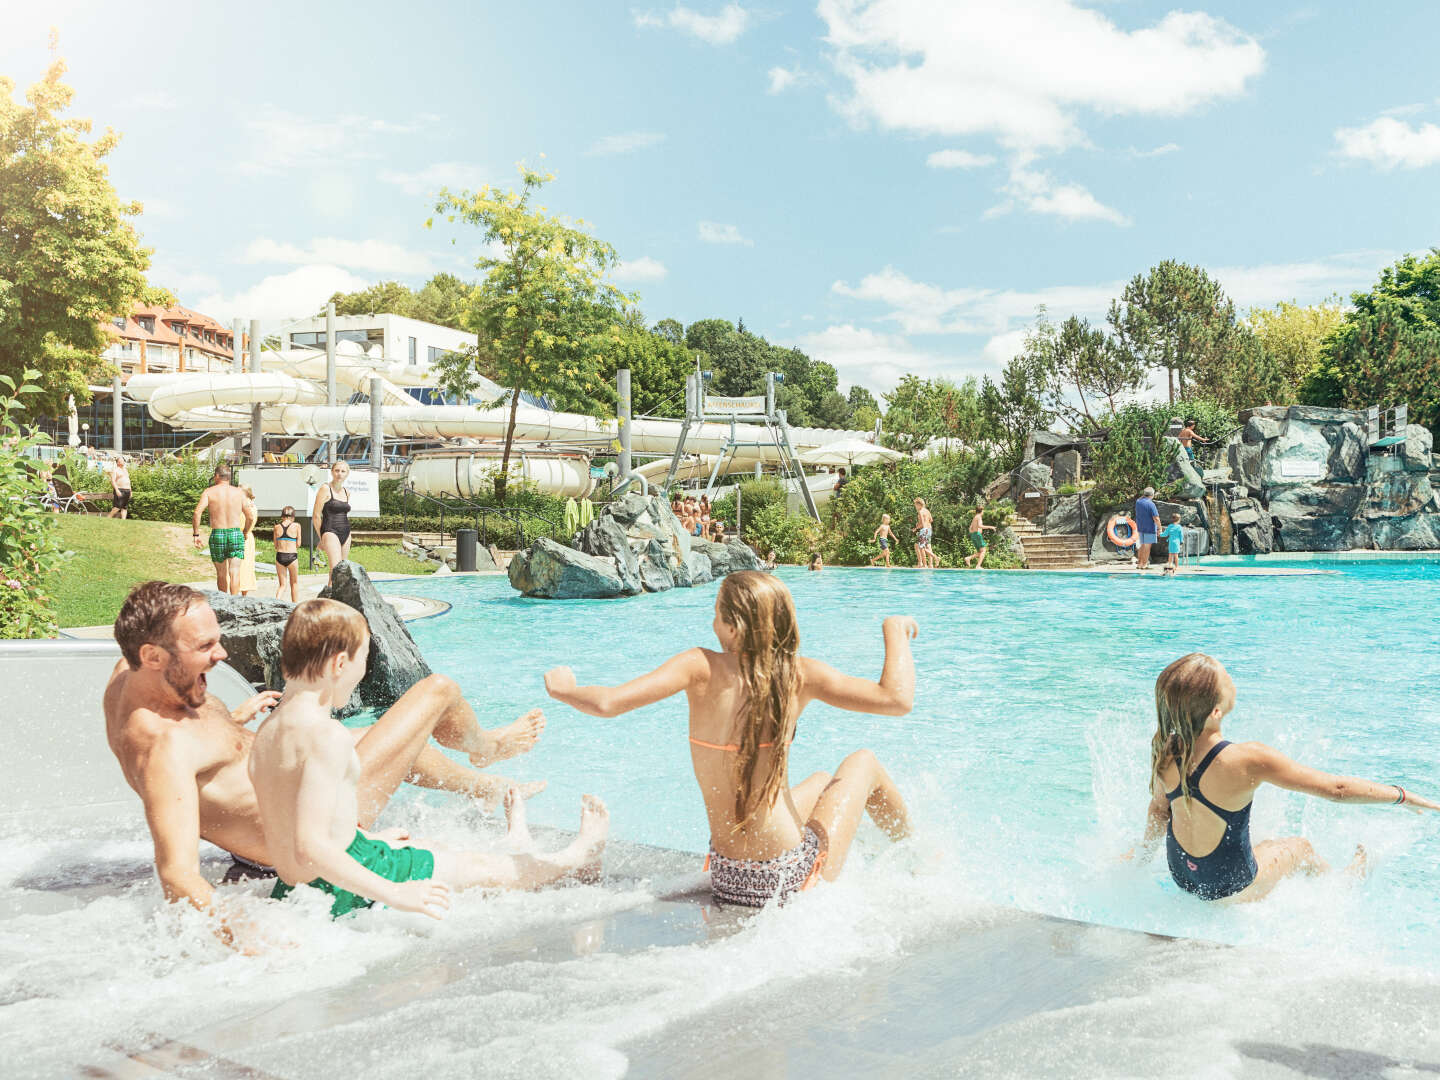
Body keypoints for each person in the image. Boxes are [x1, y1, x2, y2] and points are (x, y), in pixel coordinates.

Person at [103, 582, 548, 939]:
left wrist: (231, 723)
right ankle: (487, 749)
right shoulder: (164, 747)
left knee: (380, 737)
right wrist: (246, 934)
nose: (221, 656)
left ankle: (487, 787)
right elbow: (178, 875)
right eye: (205, 648)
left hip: (288, 804)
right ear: (153, 656)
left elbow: (204, 763)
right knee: (437, 691)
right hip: (298, 834)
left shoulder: (132, 676)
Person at [543, 572, 917, 908]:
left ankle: (878, 844)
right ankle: (918, 859)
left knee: (822, 781)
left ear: (734, 627)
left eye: (717, 615)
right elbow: (896, 700)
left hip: (728, 877)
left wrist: (564, 690)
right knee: (863, 762)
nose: (712, 624)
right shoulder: (796, 674)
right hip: (789, 879)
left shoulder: (697, 666)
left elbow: (607, 703)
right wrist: (894, 630)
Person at [251, 599, 608, 921]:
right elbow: (309, 845)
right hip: (344, 886)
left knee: (430, 849)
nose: (363, 672)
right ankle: (577, 859)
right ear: (340, 663)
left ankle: (515, 842)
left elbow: (295, 824)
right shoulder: (326, 737)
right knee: (483, 868)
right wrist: (396, 893)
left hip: (299, 888)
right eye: (364, 660)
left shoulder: (267, 733)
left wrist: (360, 838)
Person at [1133, 653, 1437, 903]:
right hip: (1229, 888)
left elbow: (1159, 811)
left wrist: (1139, 860)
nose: (1233, 683)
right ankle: (1341, 885)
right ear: (1216, 711)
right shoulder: (1248, 759)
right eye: (1228, 679)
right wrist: (1403, 795)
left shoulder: (1165, 748)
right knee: (1299, 847)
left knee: (1264, 844)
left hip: (1184, 877)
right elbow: (1338, 789)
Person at [193, 464, 255, 594]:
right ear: (229, 477)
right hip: (235, 533)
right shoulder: (238, 492)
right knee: (235, 572)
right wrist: (245, 532)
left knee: (221, 573)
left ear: (216, 476)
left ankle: (224, 604)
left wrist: (196, 535)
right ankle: (235, 603)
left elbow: (197, 512)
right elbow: (249, 516)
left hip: (218, 534)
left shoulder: (209, 492)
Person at [312, 460, 352, 585]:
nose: (339, 474)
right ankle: (329, 599)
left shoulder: (347, 492)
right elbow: (316, 516)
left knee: (343, 570)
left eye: (343, 471)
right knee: (335, 570)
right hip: (330, 531)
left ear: (347, 474)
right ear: (332, 472)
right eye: (337, 470)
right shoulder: (325, 489)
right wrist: (321, 538)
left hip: (346, 532)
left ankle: (337, 600)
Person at [273, 505, 302, 602]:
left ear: (282, 516)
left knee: (282, 585)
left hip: (280, 556)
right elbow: (298, 544)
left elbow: (276, 545)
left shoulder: (277, 527)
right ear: (293, 517)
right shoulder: (297, 526)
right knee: (294, 583)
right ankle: (295, 606)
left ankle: (275, 604)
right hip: (292, 556)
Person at [234, 486, 259, 596]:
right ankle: (244, 593)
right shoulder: (253, 505)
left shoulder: (242, 505)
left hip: (240, 534)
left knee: (235, 566)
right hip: (248, 536)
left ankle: (234, 592)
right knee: (247, 566)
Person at [1134, 486, 1161, 571]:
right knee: (1147, 547)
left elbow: (1141, 498)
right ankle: (1144, 564)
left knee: (1142, 545)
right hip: (1149, 528)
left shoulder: (1138, 502)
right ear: (1152, 495)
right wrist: (1159, 528)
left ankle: (1139, 563)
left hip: (1140, 527)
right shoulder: (1151, 504)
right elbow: (1156, 518)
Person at [962, 502, 996, 569]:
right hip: (977, 535)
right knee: (983, 551)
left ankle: (968, 558)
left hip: (973, 535)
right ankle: (978, 566)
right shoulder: (979, 517)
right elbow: (980, 526)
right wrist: (991, 527)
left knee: (980, 552)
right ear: (981, 511)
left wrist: (973, 533)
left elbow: (970, 528)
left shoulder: (975, 517)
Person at [913, 497, 937, 569]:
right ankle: (930, 564)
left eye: (915, 505)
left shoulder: (920, 512)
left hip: (924, 530)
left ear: (919, 504)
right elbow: (931, 520)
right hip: (929, 529)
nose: (915, 507)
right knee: (928, 546)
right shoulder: (927, 511)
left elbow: (923, 524)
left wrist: (916, 528)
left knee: (921, 547)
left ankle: (925, 564)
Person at [108, 456, 132, 520]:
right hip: (120, 489)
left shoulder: (125, 470)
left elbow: (128, 481)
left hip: (127, 490)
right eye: (121, 461)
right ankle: (108, 518)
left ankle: (123, 521)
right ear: (118, 462)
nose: (123, 462)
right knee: (117, 507)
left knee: (124, 507)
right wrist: (117, 490)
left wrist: (130, 491)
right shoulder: (115, 470)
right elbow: (113, 481)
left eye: (123, 460)